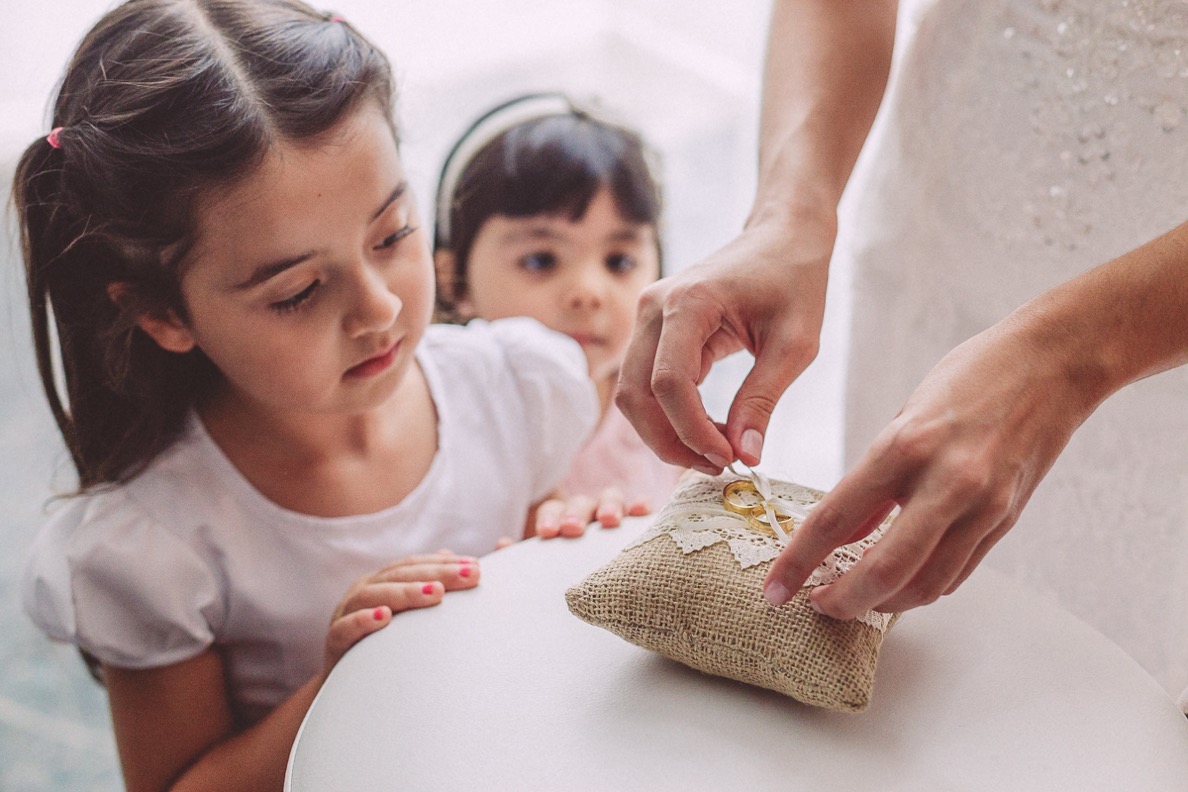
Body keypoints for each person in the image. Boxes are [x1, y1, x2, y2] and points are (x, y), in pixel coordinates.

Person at [14, 2, 602, 789]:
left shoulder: (511, 390)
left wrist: (568, 545)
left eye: (392, 235)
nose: (380, 309)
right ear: (162, 314)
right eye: (296, 292)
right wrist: (344, 687)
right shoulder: (157, 546)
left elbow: (533, 582)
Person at [616, 0, 1188, 704]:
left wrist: (1068, 356)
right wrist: (790, 214)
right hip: (935, 248)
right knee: (910, 683)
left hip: (1167, 353)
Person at [433, 93, 684, 538]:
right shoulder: (436, 427)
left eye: (619, 262)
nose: (588, 293)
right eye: (541, 260)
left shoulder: (667, 415)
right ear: (454, 281)